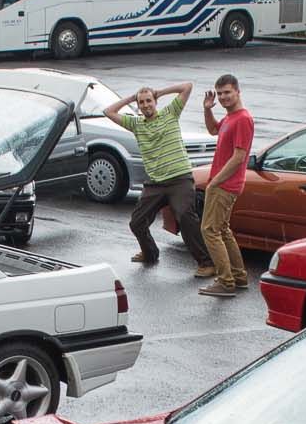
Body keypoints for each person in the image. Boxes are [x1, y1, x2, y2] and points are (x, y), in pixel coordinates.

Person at [103, 81, 215, 278]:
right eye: (142, 102)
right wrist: (131, 98)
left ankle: (206, 263)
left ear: (155, 102)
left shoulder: (170, 113)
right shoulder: (136, 124)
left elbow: (187, 86)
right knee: (137, 222)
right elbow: (108, 111)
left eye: (149, 101)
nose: (146, 105)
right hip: (155, 183)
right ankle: (150, 253)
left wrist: (160, 92)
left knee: (185, 217)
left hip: (180, 179)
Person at [193, 74, 253, 298]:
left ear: (238, 91)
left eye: (227, 92)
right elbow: (213, 130)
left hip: (225, 184)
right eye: (220, 94)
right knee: (223, 230)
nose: (223, 97)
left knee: (209, 230)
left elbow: (239, 157)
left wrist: (215, 182)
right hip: (223, 183)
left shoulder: (243, 119)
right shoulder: (230, 117)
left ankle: (225, 282)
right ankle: (238, 276)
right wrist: (207, 109)